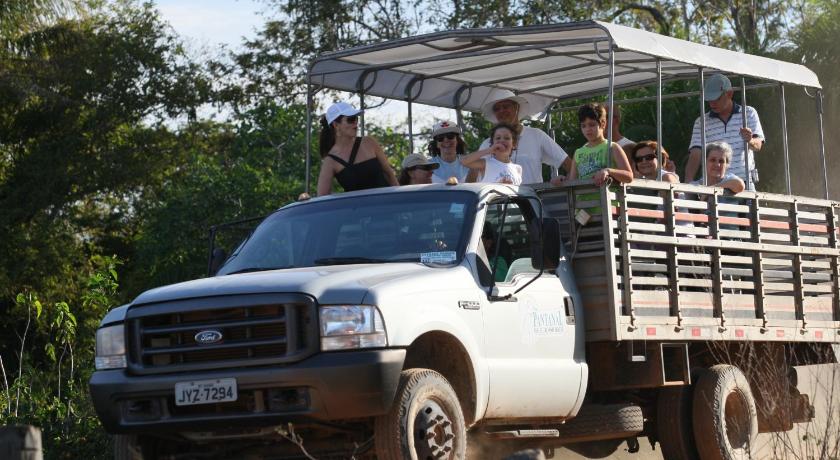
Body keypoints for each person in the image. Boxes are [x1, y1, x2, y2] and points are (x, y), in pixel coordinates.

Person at [684, 74, 764, 190]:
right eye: (709, 100)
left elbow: (758, 145)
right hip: (713, 186)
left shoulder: (749, 113)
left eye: (716, 98)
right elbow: (695, 155)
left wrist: (750, 140)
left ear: (730, 94)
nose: (712, 103)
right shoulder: (701, 121)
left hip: (745, 184)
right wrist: (687, 187)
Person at [478, 90, 571, 184]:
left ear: (516, 108)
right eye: (497, 109)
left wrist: (565, 181)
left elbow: (568, 164)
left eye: (506, 106)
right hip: (498, 198)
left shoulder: (537, 135)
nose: (501, 111)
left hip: (531, 197)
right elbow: (474, 177)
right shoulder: (486, 144)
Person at [316, 101, 399, 196]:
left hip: (387, 205)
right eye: (351, 119)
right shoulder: (330, 161)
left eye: (356, 119)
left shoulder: (369, 143)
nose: (355, 123)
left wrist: (400, 199)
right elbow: (322, 196)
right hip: (359, 210)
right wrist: (304, 197)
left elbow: (389, 174)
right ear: (336, 125)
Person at [552, 103, 634, 186]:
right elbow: (572, 181)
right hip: (583, 198)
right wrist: (563, 179)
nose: (587, 129)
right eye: (583, 126)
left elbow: (629, 177)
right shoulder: (578, 153)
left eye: (592, 125)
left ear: (603, 124)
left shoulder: (613, 147)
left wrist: (608, 171)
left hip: (606, 198)